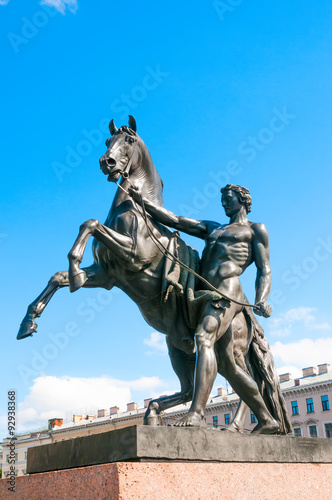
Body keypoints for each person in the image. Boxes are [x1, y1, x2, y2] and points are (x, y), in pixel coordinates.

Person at [129, 183, 279, 433]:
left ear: (243, 200)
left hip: (228, 290)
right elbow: (176, 220)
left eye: (228, 199)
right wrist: (142, 201)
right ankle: (268, 420)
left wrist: (262, 298)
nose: (224, 203)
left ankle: (197, 413)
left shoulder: (255, 229)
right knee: (228, 366)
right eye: (222, 199)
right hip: (203, 291)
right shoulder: (213, 228)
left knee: (203, 337)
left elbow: (265, 269)